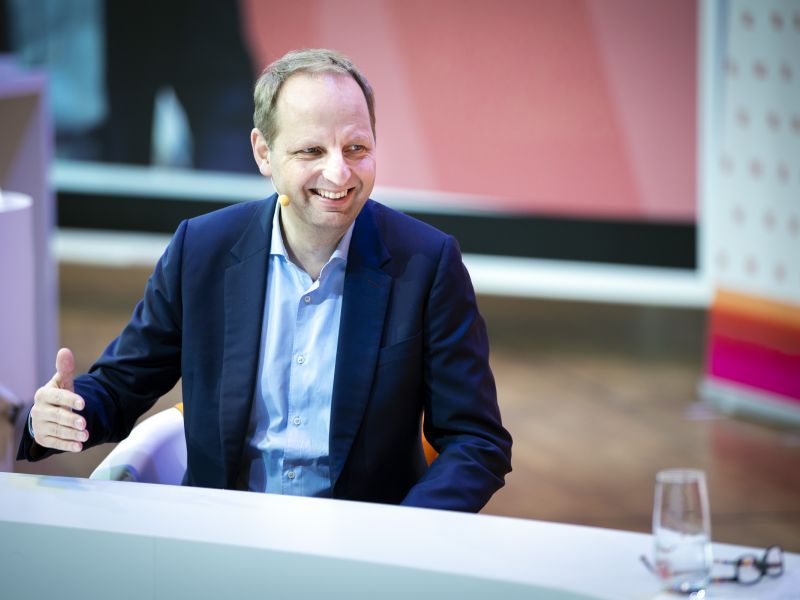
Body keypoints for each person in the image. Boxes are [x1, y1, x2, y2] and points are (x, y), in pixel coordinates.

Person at [18, 49, 512, 512]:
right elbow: (120, 386)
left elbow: (476, 440)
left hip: (364, 542)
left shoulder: (426, 263)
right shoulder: (202, 250)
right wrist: (60, 415)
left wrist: (402, 534)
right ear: (263, 152)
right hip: (223, 532)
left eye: (356, 148)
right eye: (311, 150)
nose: (339, 173)